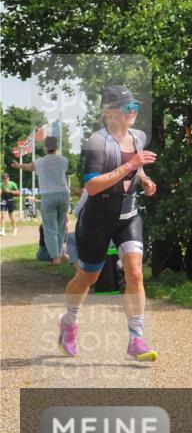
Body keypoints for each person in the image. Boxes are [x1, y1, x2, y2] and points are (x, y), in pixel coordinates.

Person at [60, 85, 158, 361]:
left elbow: (135, 169)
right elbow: (91, 186)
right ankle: (69, 321)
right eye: (127, 108)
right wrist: (130, 166)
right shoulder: (97, 142)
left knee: (136, 273)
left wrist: (145, 180)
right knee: (88, 276)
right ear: (109, 112)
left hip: (128, 217)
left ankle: (136, 339)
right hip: (97, 218)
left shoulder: (137, 137)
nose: (133, 113)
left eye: (135, 108)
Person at [11, 136, 70, 264]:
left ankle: (55, 258)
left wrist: (17, 165)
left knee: (49, 228)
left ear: (45, 147)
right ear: (57, 147)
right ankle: (60, 254)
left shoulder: (39, 162)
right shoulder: (64, 160)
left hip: (48, 195)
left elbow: (28, 167)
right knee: (61, 227)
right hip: (64, 194)